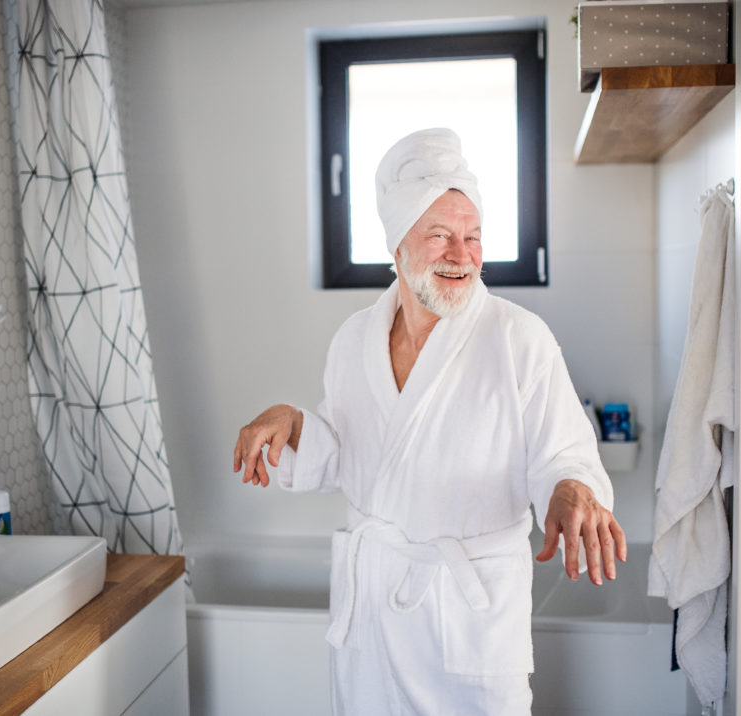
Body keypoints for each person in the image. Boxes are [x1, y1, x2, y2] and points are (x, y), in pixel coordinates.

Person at [233, 128, 626, 715]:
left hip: (466, 621)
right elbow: (348, 451)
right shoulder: (353, 341)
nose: (462, 255)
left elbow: (562, 452)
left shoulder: (519, 339)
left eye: (472, 238)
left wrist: (571, 489)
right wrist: (293, 423)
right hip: (371, 621)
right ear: (397, 248)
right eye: (439, 236)